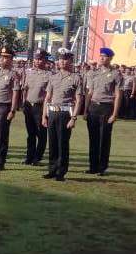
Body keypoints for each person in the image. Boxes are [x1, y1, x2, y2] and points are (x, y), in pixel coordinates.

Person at [42, 50, 83, 181]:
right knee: (52, 143)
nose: (62, 62)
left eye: (65, 59)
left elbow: (78, 100)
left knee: (62, 143)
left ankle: (61, 171)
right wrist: (44, 116)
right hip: (53, 112)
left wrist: (74, 118)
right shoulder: (53, 77)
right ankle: (52, 170)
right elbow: (47, 98)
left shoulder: (76, 78)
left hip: (66, 114)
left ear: (70, 61)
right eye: (60, 59)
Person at [85, 47, 121, 176]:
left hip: (106, 108)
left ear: (110, 58)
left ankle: (102, 167)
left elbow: (117, 95)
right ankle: (93, 166)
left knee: (104, 138)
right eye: (100, 55)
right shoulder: (93, 73)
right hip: (93, 107)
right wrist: (85, 110)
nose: (101, 58)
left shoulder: (116, 74)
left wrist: (114, 114)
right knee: (93, 138)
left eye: (104, 56)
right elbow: (89, 93)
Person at [21, 50, 50, 165]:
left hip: (40, 107)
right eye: (36, 59)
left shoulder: (49, 75)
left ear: (45, 60)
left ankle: (37, 158)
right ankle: (29, 157)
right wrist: (23, 102)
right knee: (30, 134)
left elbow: (49, 95)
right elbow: (25, 89)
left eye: (40, 59)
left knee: (41, 134)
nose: (38, 61)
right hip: (29, 106)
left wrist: (46, 111)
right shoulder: (29, 73)